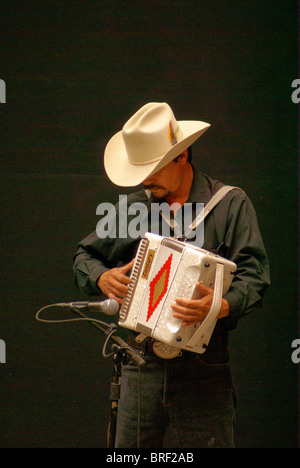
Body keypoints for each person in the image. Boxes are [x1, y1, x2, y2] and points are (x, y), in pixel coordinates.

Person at [73, 102, 270, 448]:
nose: (145, 180)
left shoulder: (230, 204)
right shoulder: (135, 207)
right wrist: (102, 278)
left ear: (182, 156)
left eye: (153, 168)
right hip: (140, 364)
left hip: (205, 372)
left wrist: (220, 306)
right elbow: (84, 257)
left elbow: (255, 277)